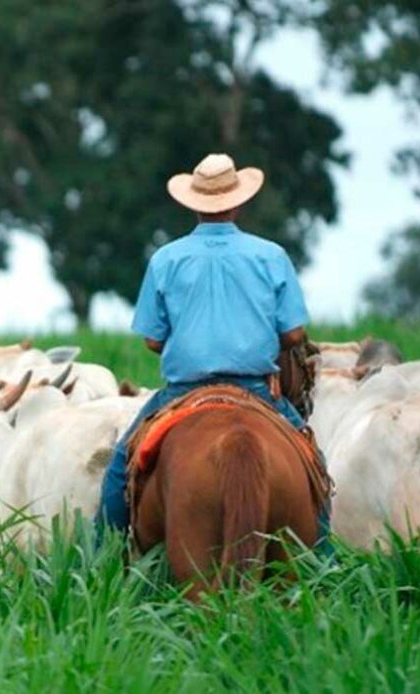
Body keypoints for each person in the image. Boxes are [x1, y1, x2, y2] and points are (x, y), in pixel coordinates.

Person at [96, 153, 330, 548]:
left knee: (119, 470)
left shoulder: (166, 258)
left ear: (192, 204)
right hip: (256, 389)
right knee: (314, 466)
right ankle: (326, 563)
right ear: (238, 202)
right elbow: (294, 334)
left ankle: (102, 559)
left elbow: (152, 340)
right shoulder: (271, 255)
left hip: (183, 392)